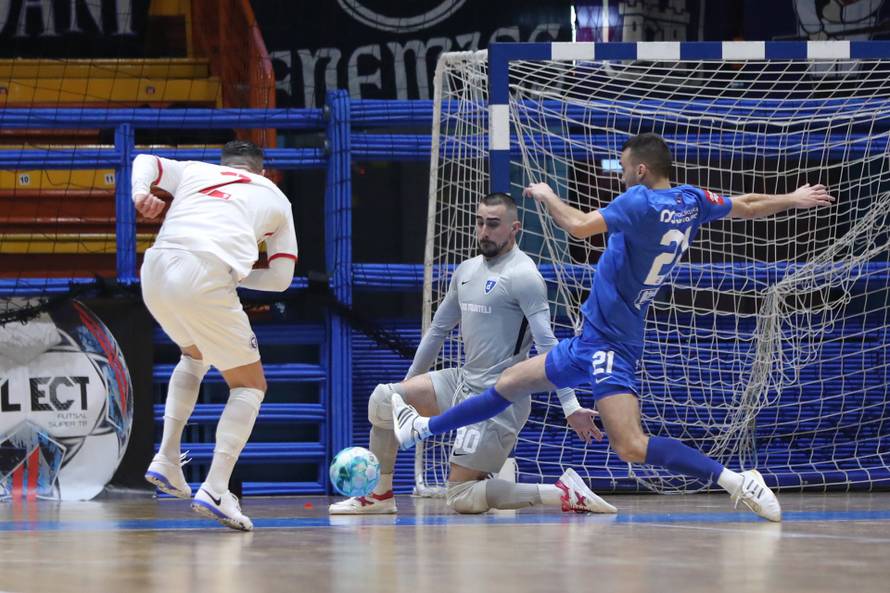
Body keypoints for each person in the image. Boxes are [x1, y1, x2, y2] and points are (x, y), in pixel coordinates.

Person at [393, 133, 836, 522]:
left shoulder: (640, 201)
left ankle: (738, 481)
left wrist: (547, 195)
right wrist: (792, 200)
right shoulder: (689, 199)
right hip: (590, 338)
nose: (620, 175)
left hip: (610, 344)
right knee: (508, 381)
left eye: (623, 168)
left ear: (641, 170)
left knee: (630, 446)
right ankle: (422, 430)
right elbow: (746, 205)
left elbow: (581, 227)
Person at [330, 192, 615, 515]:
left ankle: (561, 492)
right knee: (383, 399)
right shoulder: (466, 270)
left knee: (461, 497)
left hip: (500, 396)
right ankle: (379, 497)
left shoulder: (524, 275)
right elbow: (437, 331)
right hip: (463, 380)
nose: (483, 232)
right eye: (479, 223)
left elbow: (548, 345)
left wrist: (571, 406)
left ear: (514, 228)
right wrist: (404, 395)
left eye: (493, 224)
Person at [133, 140, 298, 531]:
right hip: (206, 272)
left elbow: (144, 160)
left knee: (193, 356)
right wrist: (236, 274)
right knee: (250, 386)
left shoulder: (194, 170)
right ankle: (216, 487)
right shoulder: (276, 197)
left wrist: (141, 193)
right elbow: (280, 279)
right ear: (261, 172)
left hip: (155, 270)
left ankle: (167, 457)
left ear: (224, 165)